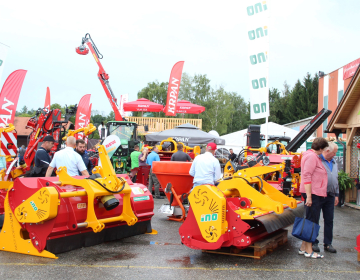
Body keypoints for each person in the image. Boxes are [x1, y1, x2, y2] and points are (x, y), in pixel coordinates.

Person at [299, 137, 329, 259]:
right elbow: (307, 175)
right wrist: (309, 197)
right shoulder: (312, 157)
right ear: (321, 148)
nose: (324, 151)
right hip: (313, 193)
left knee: (310, 220)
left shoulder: (311, 156)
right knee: (312, 221)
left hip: (314, 192)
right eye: (324, 149)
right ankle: (309, 251)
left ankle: (303, 248)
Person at [312, 142, 339, 254]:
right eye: (333, 153)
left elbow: (335, 178)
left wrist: (336, 194)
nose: (334, 155)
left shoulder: (334, 162)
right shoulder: (317, 160)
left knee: (329, 220)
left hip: (330, 195)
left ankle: (328, 243)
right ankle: (314, 242)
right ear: (327, 151)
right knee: (315, 219)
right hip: (318, 194)